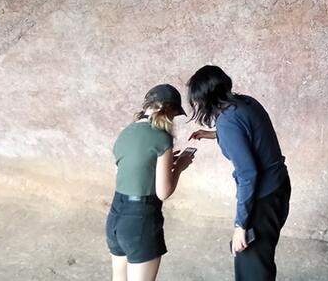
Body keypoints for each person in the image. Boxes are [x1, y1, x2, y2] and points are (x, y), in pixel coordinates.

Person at [188, 65, 290, 280]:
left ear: (205, 98)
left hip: (262, 200)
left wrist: (240, 225)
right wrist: (214, 134)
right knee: (261, 260)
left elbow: (248, 174)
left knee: (252, 269)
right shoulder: (246, 102)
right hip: (279, 187)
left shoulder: (227, 122)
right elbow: (250, 132)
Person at [106, 84, 195, 281]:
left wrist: (160, 165)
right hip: (141, 220)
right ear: (170, 111)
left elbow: (127, 172)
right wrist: (179, 166)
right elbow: (163, 192)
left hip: (115, 217)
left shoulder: (125, 132)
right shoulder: (162, 138)